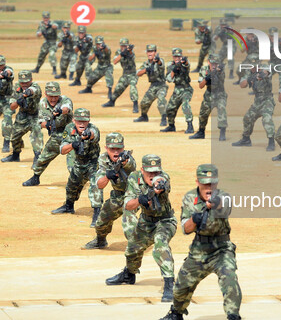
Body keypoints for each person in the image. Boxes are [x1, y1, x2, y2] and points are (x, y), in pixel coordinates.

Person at [158, 164, 241, 320]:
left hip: (221, 249)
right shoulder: (190, 198)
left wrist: (213, 204)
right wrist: (194, 219)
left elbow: (225, 207)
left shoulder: (224, 196)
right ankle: (176, 313)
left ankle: (233, 315)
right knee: (181, 284)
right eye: (205, 183)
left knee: (229, 277)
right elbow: (185, 229)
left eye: (212, 183)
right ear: (197, 182)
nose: (209, 187)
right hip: (199, 249)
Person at [105, 154, 177, 304]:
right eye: (149, 171)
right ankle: (129, 274)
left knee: (160, 244)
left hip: (165, 220)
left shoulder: (164, 178)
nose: (153, 175)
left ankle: (170, 284)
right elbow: (128, 205)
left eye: (156, 171)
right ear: (142, 169)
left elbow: (161, 183)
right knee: (132, 250)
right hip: (146, 222)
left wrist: (157, 187)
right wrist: (140, 200)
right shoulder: (134, 178)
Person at [82, 132, 138, 248]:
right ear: (106, 148)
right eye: (112, 149)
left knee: (129, 221)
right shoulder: (103, 159)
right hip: (117, 196)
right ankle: (100, 240)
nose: (116, 152)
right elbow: (100, 184)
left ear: (123, 148)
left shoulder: (127, 158)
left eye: (119, 148)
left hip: (134, 195)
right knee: (102, 220)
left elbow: (131, 165)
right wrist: (108, 176)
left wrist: (124, 162)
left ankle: (135, 246)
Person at [51, 108, 103, 227]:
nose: (81, 124)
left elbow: (95, 136)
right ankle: (69, 206)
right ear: (74, 120)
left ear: (88, 120)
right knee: (71, 185)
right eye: (79, 120)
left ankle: (97, 213)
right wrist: (73, 144)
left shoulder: (93, 129)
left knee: (95, 186)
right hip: (79, 162)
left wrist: (88, 135)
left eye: (84, 121)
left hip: (93, 163)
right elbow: (62, 150)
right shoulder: (69, 129)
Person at [22, 82, 73, 187]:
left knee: (73, 161)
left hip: (70, 135)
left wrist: (60, 111)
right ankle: (35, 177)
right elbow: (41, 122)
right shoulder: (42, 103)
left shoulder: (65, 100)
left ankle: (76, 181)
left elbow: (66, 108)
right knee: (43, 158)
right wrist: (48, 124)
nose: (53, 99)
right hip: (56, 134)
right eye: (51, 96)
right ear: (45, 94)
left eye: (56, 96)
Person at [231, 60, 275, 151]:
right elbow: (242, 85)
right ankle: (246, 139)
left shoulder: (264, 68)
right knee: (247, 118)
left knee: (267, 119)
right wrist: (249, 79)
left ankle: (271, 142)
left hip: (267, 101)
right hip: (257, 101)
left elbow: (267, 73)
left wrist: (262, 75)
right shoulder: (249, 73)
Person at [1, 70, 43, 163]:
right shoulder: (16, 87)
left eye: (27, 82)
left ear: (31, 80)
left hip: (35, 115)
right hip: (23, 115)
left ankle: (37, 157)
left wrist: (28, 92)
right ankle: (15, 155)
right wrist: (18, 101)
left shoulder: (35, 86)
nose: (24, 84)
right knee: (14, 136)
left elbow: (34, 91)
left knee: (36, 134)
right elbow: (12, 106)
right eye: (22, 82)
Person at [190, 54, 227, 141]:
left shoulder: (221, 71)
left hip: (220, 94)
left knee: (222, 111)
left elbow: (220, 82)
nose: (214, 65)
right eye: (212, 63)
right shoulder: (204, 69)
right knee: (203, 114)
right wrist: (207, 78)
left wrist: (216, 73)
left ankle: (222, 133)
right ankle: (201, 132)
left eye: (216, 63)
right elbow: (201, 85)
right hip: (209, 94)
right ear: (208, 62)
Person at [161, 48, 194, 134]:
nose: (177, 58)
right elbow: (168, 79)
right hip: (177, 90)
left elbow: (187, 65)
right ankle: (171, 126)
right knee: (169, 108)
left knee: (185, 105)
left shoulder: (185, 63)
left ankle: (190, 125)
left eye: (179, 56)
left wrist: (183, 63)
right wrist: (174, 70)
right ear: (173, 56)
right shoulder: (170, 65)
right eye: (175, 56)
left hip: (186, 89)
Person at [102, 38, 139, 113]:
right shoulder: (119, 52)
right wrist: (123, 53)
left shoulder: (131, 52)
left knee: (132, 88)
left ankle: (135, 105)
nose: (123, 47)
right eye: (122, 46)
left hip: (132, 74)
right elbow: (115, 61)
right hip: (125, 74)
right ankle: (111, 102)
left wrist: (129, 51)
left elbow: (132, 56)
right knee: (118, 88)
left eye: (125, 46)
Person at [135, 45, 168, 126]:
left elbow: (161, 63)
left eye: (152, 51)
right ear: (146, 53)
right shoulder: (146, 63)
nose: (150, 53)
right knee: (144, 103)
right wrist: (146, 69)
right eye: (148, 51)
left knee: (161, 100)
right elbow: (138, 73)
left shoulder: (160, 61)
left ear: (155, 52)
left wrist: (157, 60)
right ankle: (144, 116)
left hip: (161, 85)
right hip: (153, 86)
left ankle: (164, 118)